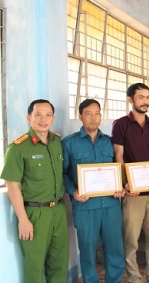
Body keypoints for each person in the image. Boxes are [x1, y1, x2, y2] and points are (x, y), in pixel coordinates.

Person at [1, 99, 69, 282]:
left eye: (47, 115)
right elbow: (12, 185)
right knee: (35, 265)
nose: (43, 119)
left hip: (58, 211)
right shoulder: (18, 148)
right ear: (29, 117)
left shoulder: (56, 142)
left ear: (53, 118)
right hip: (34, 214)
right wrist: (23, 219)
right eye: (38, 114)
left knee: (59, 263)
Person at [63, 99, 125, 283]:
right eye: (88, 113)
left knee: (115, 247)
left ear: (101, 115)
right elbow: (63, 174)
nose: (93, 118)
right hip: (85, 206)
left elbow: (118, 168)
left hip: (111, 204)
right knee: (88, 249)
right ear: (80, 115)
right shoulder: (69, 143)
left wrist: (120, 186)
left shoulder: (109, 142)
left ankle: (114, 280)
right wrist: (73, 191)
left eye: (97, 113)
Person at [112, 83, 149, 283]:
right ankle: (133, 277)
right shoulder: (121, 124)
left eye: (148, 97)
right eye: (141, 97)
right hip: (133, 193)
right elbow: (119, 156)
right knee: (131, 239)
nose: (145, 101)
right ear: (130, 100)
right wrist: (125, 183)